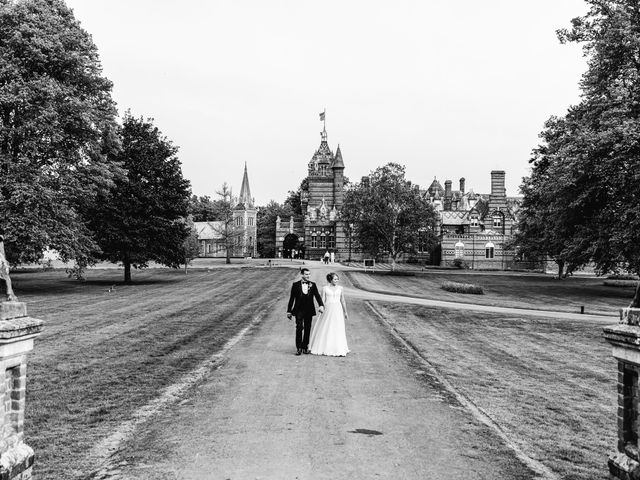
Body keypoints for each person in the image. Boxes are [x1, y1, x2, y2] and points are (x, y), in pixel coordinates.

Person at [309, 272, 349, 357]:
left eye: (337, 279)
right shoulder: (325, 288)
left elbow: (343, 300)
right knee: (327, 326)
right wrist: (321, 307)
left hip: (337, 309)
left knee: (337, 327)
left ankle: (338, 347)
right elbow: (322, 300)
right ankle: (324, 346)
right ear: (330, 280)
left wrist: (345, 312)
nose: (336, 280)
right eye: (335, 279)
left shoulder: (341, 288)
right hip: (328, 309)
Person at [287, 268, 324, 355]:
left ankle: (305, 346)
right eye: (306, 274)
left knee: (308, 328)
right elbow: (292, 298)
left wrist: (321, 305)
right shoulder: (295, 285)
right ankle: (298, 348)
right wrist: (289, 311)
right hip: (299, 310)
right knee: (299, 327)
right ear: (302, 274)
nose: (308, 276)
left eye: (309, 274)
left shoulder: (313, 285)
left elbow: (317, 296)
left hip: (309, 310)